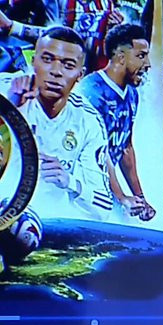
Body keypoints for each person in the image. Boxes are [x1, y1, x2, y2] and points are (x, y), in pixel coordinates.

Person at [2, 26, 113, 220]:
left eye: (68, 65)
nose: (55, 71)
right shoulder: (6, 90)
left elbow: (104, 208)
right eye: (47, 59)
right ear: (33, 61)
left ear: (80, 75)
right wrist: (8, 110)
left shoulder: (88, 121)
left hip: (48, 224)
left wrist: (69, 181)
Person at [77, 22, 152, 221]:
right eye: (141, 56)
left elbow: (125, 147)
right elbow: (97, 153)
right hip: (83, 194)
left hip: (107, 189)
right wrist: (120, 198)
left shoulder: (132, 94)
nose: (148, 64)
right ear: (120, 57)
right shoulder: (90, 92)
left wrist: (140, 198)